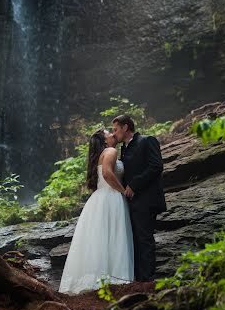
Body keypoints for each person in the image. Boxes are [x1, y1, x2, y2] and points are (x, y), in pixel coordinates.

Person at [58, 128, 134, 294]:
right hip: (112, 197)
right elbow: (107, 174)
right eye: (109, 132)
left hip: (98, 199)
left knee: (98, 239)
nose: (113, 134)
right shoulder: (111, 151)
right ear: (104, 141)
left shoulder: (99, 156)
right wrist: (123, 191)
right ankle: (116, 279)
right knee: (115, 236)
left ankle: (93, 280)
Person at [112, 115, 166, 282]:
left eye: (115, 129)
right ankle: (140, 279)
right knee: (135, 239)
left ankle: (149, 280)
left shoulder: (147, 140)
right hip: (133, 202)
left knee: (144, 239)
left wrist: (134, 185)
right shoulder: (124, 148)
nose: (114, 134)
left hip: (147, 200)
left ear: (125, 127)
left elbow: (156, 166)